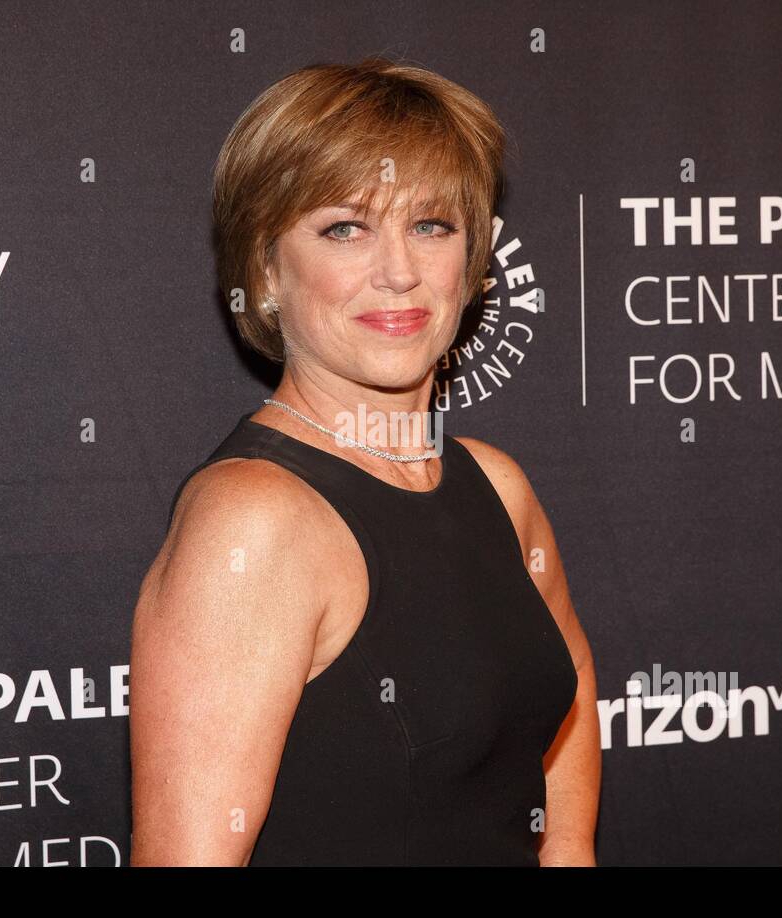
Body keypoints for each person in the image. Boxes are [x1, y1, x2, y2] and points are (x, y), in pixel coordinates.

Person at [129, 56, 600, 866]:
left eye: (432, 225)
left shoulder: (497, 485)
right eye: (345, 228)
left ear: (473, 262)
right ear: (265, 270)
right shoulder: (253, 523)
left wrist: (566, 853)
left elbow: (562, 718)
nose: (400, 272)